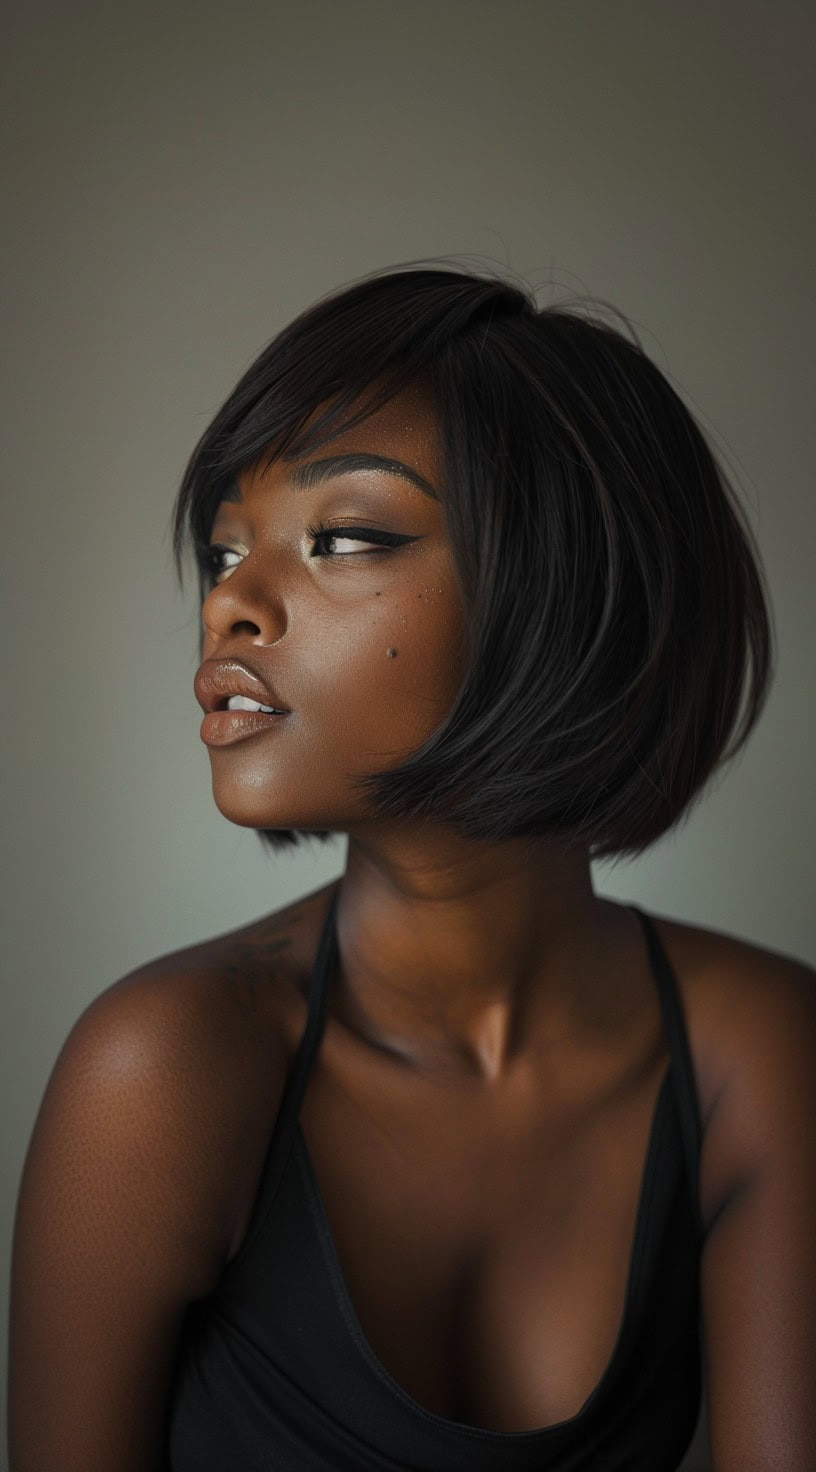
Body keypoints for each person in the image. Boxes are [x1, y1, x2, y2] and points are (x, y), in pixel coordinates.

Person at [8, 264, 815, 1472]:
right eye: (227, 546)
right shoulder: (164, 1070)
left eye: (343, 536)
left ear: (562, 588)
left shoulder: (760, 1051)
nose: (233, 601)